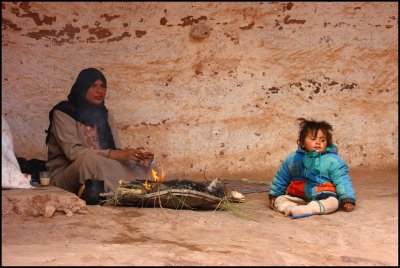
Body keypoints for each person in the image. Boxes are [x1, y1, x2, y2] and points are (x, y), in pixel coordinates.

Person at [45, 68, 154, 197]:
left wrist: (136, 159)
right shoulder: (63, 113)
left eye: (103, 86)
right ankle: (117, 192)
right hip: (67, 175)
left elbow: (116, 150)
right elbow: (73, 153)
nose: (99, 91)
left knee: (149, 168)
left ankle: (131, 191)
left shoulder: (106, 115)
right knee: (90, 161)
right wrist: (115, 154)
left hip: (100, 167)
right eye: (93, 86)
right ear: (82, 88)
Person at [268, 118, 356, 217]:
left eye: (322, 140)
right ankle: (291, 208)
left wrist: (347, 198)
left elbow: (342, 180)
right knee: (280, 200)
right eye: (313, 139)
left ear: (327, 143)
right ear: (301, 143)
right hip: (298, 196)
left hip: (323, 196)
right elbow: (282, 178)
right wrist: (275, 194)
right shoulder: (293, 159)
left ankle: (310, 209)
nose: (318, 142)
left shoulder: (333, 161)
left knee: (333, 203)